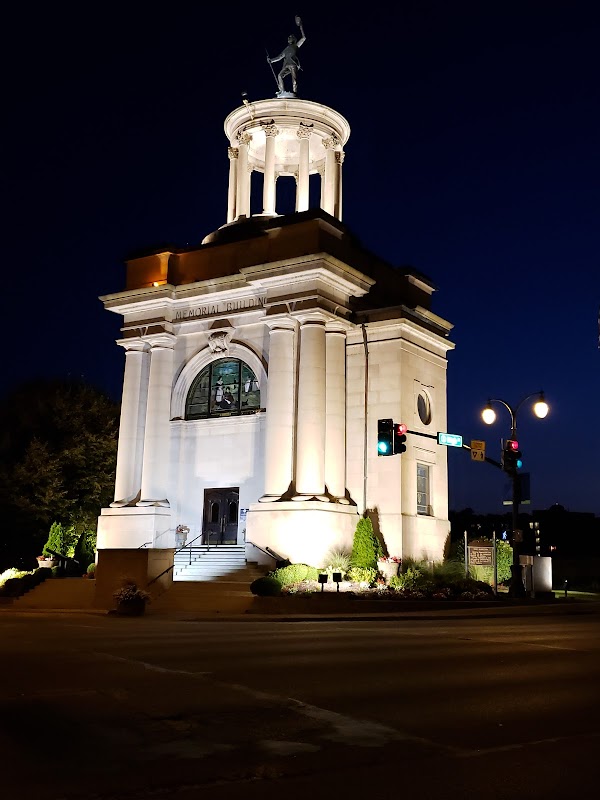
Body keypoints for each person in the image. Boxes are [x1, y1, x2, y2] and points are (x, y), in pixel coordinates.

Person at [267, 16, 306, 95]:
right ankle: (282, 91)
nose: (289, 38)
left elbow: (304, 38)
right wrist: (271, 60)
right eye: (288, 38)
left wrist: (301, 26)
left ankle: (295, 93)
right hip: (286, 65)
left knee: (294, 80)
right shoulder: (286, 49)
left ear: (294, 39)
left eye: (290, 37)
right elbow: (279, 57)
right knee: (279, 75)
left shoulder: (296, 45)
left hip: (293, 65)